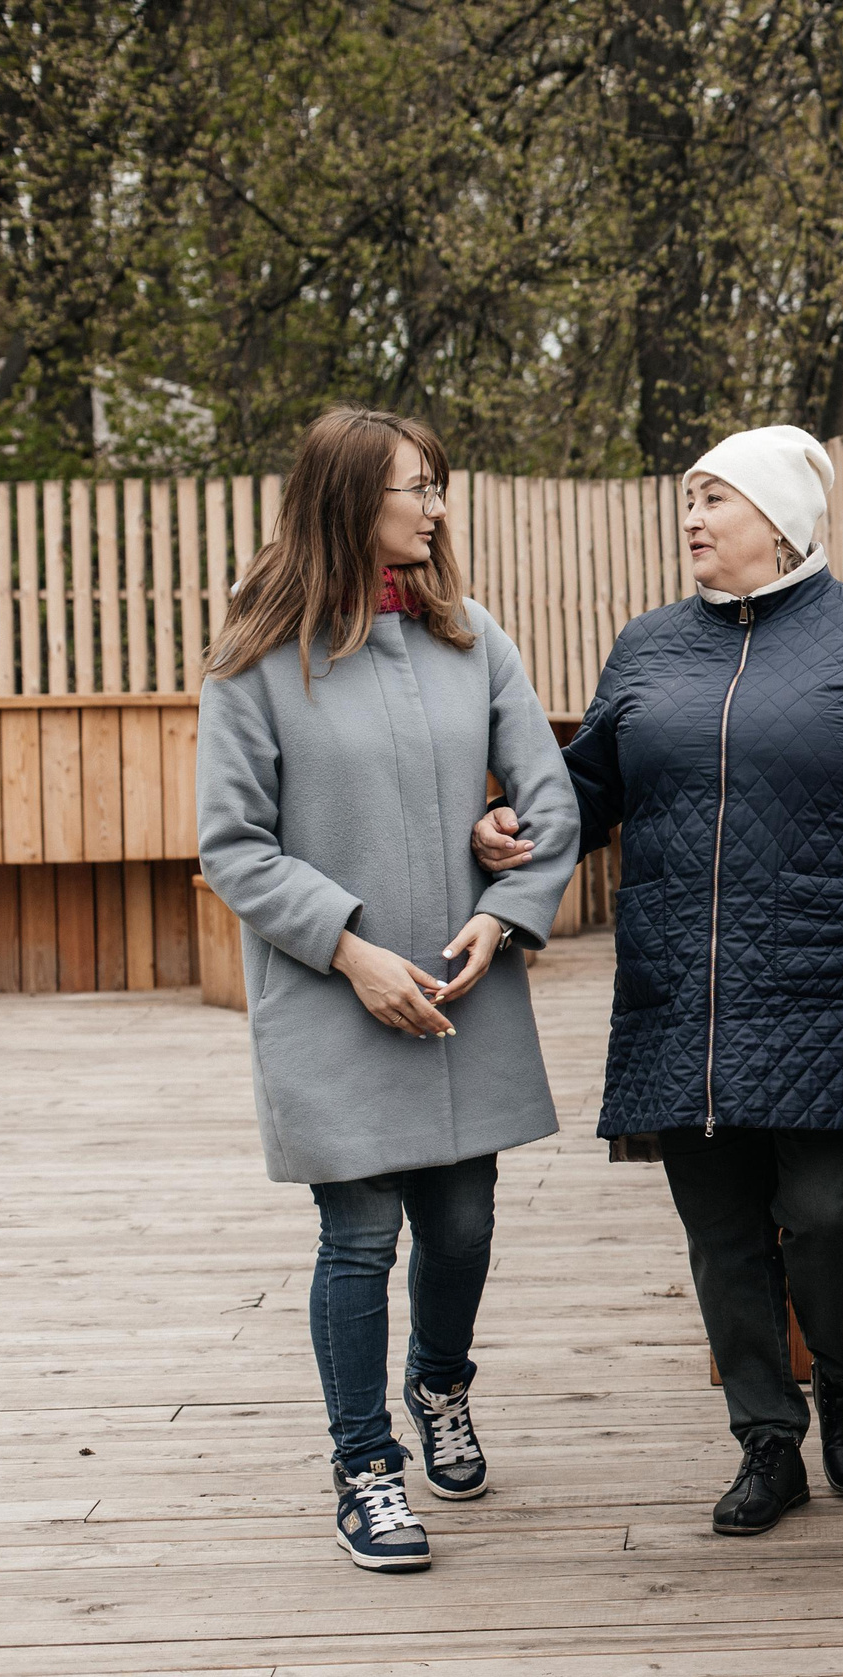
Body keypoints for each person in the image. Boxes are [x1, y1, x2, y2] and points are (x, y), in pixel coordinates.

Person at [473, 424, 843, 1536]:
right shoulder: (649, 647)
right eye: (689, 500)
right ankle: (769, 1440)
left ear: (780, 519)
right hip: (682, 987)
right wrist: (518, 823)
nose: (693, 519)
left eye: (715, 499)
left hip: (830, 976)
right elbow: (588, 790)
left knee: (825, 1213)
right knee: (719, 1233)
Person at [196, 407, 580, 1573]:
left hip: (465, 994)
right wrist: (351, 949)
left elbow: (548, 802)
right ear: (348, 498)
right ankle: (364, 1468)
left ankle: (440, 1386)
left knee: (462, 1225)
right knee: (359, 1235)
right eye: (417, 487)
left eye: (439, 486)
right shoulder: (257, 658)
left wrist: (500, 907)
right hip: (331, 996)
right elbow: (233, 843)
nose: (436, 506)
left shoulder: (476, 638)